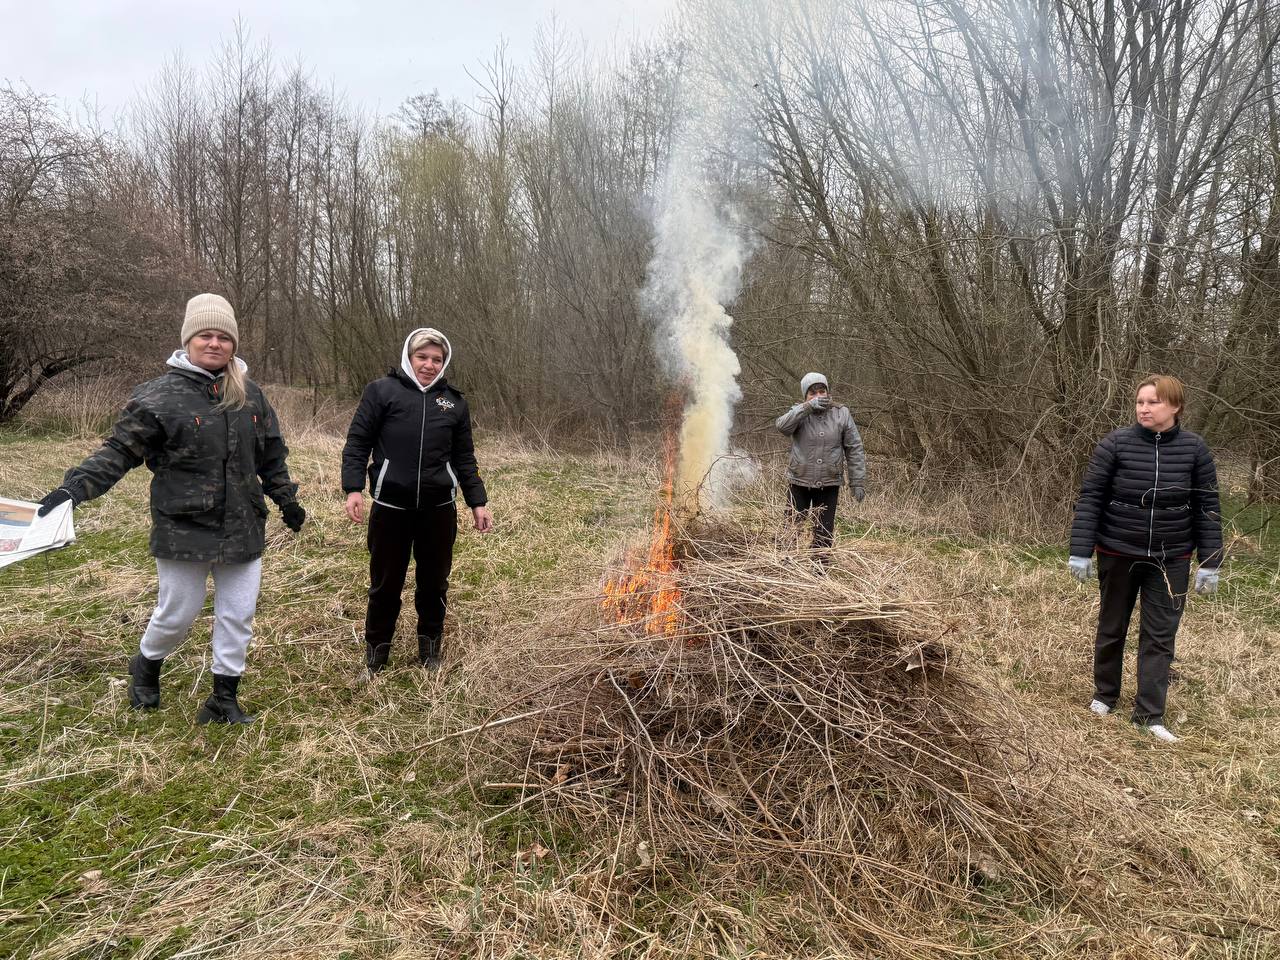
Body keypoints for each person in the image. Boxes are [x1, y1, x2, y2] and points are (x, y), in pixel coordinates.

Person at [36, 293, 305, 725]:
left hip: (243, 524)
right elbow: (119, 451)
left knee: (238, 614)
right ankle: (146, 663)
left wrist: (285, 498)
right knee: (178, 612)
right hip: (183, 525)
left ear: (233, 344)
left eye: (223, 337)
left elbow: (271, 455)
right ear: (189, 340)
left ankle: (223, 700)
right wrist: (74, 489)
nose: (214, 343)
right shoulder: (158, 397)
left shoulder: (250, 395)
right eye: (205, 335)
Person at [1068, 374, 1223, 743]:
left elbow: (1207, 507)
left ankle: (1149, 715)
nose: (1144, 408)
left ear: (1175, 406)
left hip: (1171, 559)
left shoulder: (1194, 450)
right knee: (1112, 626)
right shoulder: (1115, 444)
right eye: (1140, 402)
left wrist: (1210, 560)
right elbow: (1091, 497)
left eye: (1152, 402)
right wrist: (1080, 551)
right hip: (1118, 551)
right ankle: (1104, 696)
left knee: (1159, 635)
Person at [341, 327, 492, 676]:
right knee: (385, 583)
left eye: (436, 359)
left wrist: (477, 502)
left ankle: (429, 651)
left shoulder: (454, 402)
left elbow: (465, 458)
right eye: (422, 357)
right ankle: (376, 657)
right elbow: (357, 442)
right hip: (390, 508)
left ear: (444, 362)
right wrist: (353, 488)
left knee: (434, 583)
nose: (428, 365)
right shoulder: (382, 392)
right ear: (409, 357)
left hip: (438, 510)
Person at [776, 372, 866, 550]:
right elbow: (782, 427)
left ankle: (818, 571)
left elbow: (854, 448)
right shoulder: (799, 412)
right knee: (790, 530)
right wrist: (806, 407)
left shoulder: (841, 413)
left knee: (823, 534)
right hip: (799, 481)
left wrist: (857, 481)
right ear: (805, 396)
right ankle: (783, 567)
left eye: (821, 391)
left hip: (829, 483)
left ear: (827, 392)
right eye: (812, 392)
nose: (818, 396)